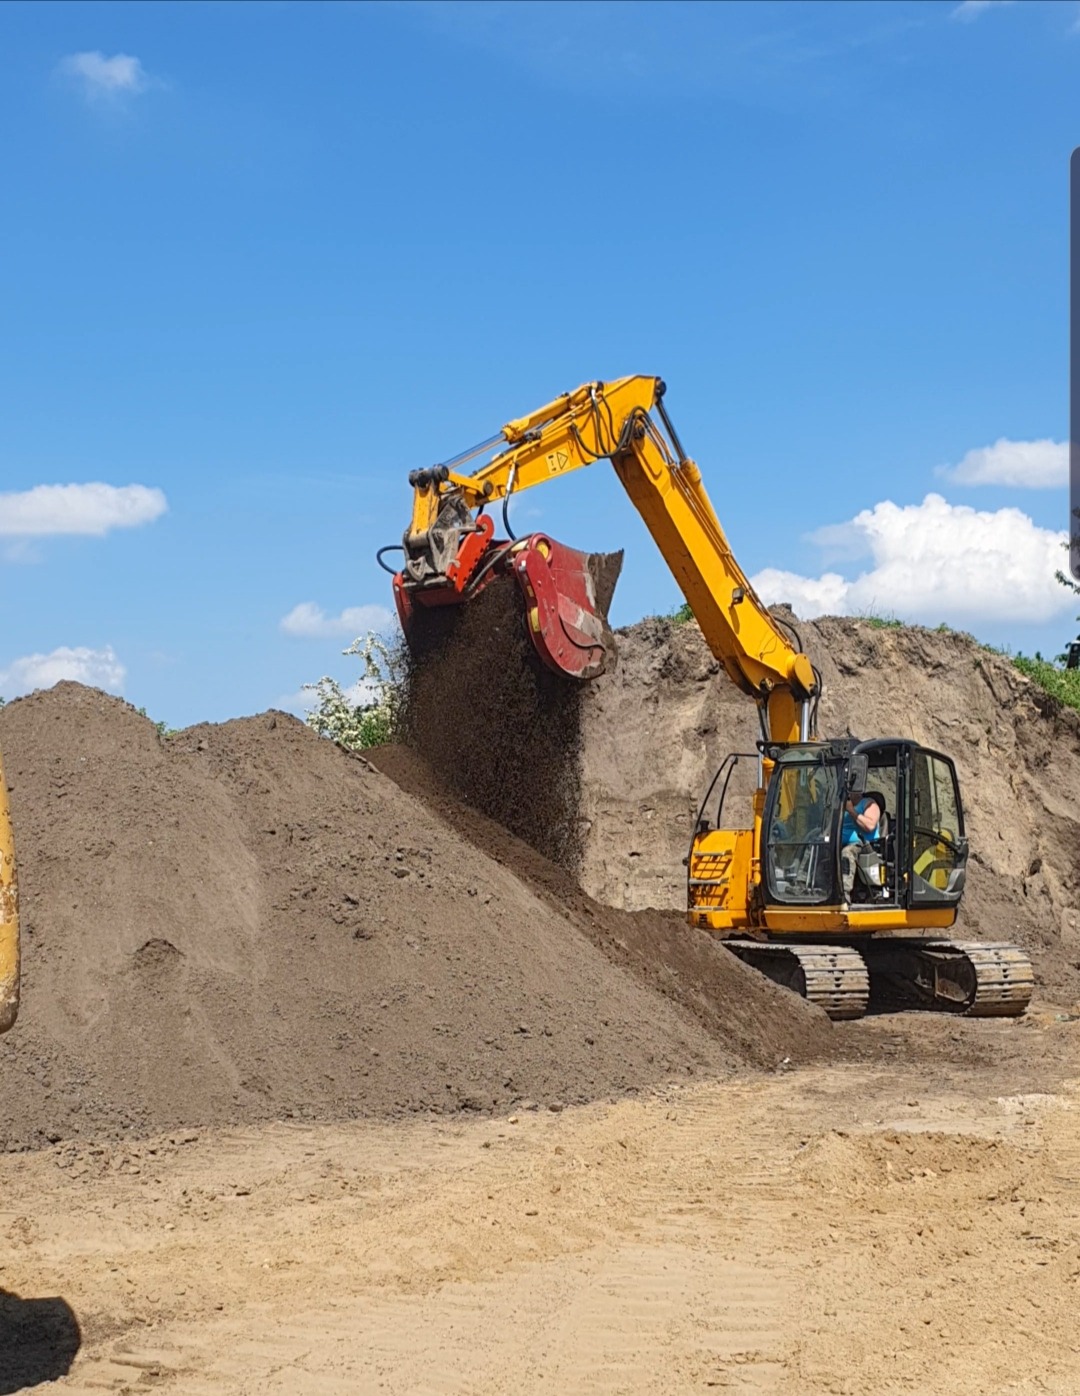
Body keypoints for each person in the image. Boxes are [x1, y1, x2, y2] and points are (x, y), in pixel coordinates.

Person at [840, 789, 882, 902]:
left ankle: (844, 893)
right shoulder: (841, 806)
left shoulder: (869, 804)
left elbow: (870, 826)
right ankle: (802, 882)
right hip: (839, 843)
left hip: (863, 845)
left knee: (847, 853)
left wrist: (851, 811)